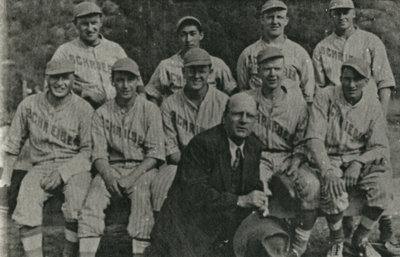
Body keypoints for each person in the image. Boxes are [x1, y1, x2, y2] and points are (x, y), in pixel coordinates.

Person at [312, 0, 397, 250]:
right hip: (336, 114)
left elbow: (385, 83)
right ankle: (345, 235)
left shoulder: (371, 41)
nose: (341, 16)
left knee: (381, 173)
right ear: (330, 14)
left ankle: (386, 230)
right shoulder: (322, 47)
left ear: (354, 12)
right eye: (336, 12)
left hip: (367, 115)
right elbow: (318, 90)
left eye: (345, 11)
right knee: (337, 177)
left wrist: (378, 117)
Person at [146, 92, 267, 257]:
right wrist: (240, 200)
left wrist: (261, 199)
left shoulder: (254, 146)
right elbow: (194, 193)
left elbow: (252, 184)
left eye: (250, 116)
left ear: (255, 121)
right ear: (224, 117)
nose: (243, 120)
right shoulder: (202, 144)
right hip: (186, 228)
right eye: (237, 114)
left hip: (221, 227)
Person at [0, 59, 93, 257]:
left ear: (73, 80)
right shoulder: (29, 105)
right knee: (27, 199)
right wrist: (5, 180)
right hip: (41, 165)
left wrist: (62, 173)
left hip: (74, 165)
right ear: (47, 79)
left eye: (65, 78)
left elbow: (88, 152)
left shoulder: (84, 109)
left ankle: (69, 253)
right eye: (55, 78)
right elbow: (12, 145)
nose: (60, 83)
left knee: (78, 200)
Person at [78, 57, 165, 257]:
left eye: (130, 79)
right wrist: (108, 178)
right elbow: (98, 154)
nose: (125, 85)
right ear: (112, 81)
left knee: (142, 198)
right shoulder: (101, 113)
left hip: (142, 168)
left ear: (138, 81)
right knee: (94, 199)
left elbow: (155, 154)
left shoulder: (150, 110)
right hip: (111, 168)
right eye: (120, 80)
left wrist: (131, 178)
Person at [306, 58, 393, 257]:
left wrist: (358, 162)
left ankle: (360, 238)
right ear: (340, 78)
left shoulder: (373, 105)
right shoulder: (326, 96)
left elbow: (380, 146)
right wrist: (327, 170)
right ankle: (337, 240)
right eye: (347, 79)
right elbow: (314, 138)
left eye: (357, 79)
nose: (351, 84)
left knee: (383, 188)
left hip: (359, 158)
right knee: (333, 188)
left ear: (367, 81)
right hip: (330, 156)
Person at [246, 47, 320, 257]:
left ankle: (299, 244)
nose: (272, 74)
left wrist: (296, 161)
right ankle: (266, 241)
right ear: (258, 72)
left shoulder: (298, 102)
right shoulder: (247, 98)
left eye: (277, 69)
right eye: (267, 69)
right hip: (258, 157)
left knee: (311, 185)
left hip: (289, 156)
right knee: (256, 186)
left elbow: (304, 140)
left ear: (284, 71)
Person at [150, 48, 229, 213]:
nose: (196, 75)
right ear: (183, 72)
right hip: (179, 163)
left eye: (202, 70)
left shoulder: (223, 102)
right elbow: (171, 150)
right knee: (161, 186)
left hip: (213, 165)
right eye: (191, 70)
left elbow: (227, 145)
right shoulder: (170, 104)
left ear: (210, 72)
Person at [50, 1, 139, 109]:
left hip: (116, 112)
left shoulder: (115, 49)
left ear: (101, 22)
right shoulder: (65, 51)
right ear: (75, 25)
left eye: (94, 23)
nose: (90, 28)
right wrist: (84, 92)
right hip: (80, 111)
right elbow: (51, 84)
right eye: (84, 24)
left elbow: (136, 81)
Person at [144, 16, 237, 105]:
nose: (188, 39)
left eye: (192, 34)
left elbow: (232, 92)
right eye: (183, 35)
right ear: (178, 37)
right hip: (176, 115)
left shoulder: (217, 64)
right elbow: (152, 94)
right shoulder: (166, 65)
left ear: (201, 35)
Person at [236, 0, 315, 103]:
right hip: (258, 112)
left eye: (279, 17)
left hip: (290, 112)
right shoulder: (248, 54)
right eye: (270, 17)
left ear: (286, 21)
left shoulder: (299, 53)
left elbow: (308, 95)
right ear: (262, 20)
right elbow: (243, 91)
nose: (275, 22)